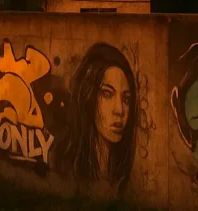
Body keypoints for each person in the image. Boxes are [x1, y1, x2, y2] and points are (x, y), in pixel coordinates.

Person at [53, 43, 137, 196]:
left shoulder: (122, 176)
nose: (119, 110)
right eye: (107, 94)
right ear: (88, 96)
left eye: (126, 99)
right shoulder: (66, 171)